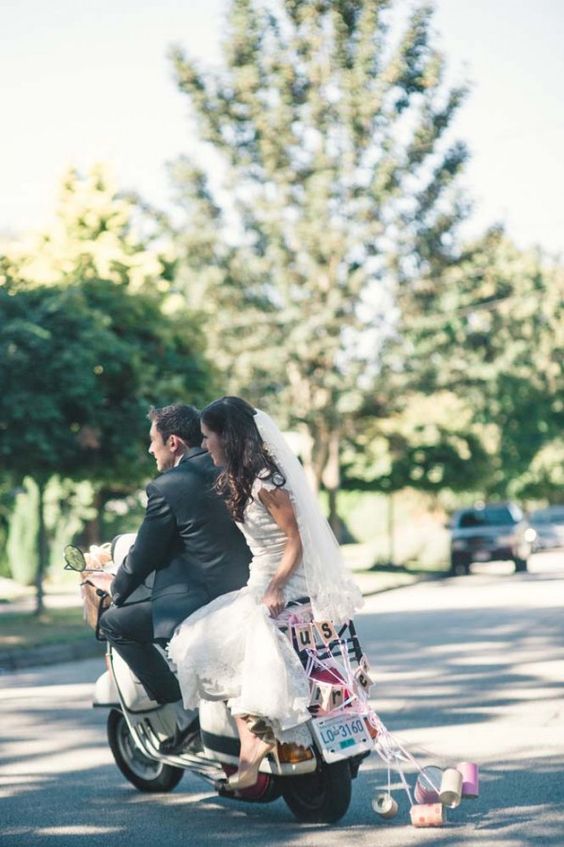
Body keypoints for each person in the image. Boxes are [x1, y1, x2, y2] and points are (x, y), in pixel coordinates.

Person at [168, 397, 362, 788]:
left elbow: (295, 540)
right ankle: (254, 741)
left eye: (208, 437)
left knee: (215, 641)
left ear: (229, 436)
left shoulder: (267, 482)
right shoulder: (242, 479)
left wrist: (274, 587)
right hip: (262, 576)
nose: (205, 446)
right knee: (202, 643)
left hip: (285, 579)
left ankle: (253, 750)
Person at [96, 403, 251, 754]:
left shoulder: (168, 486)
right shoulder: (232, 468)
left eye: (153, 441)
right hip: (245, 588)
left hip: (201, 599)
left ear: (174, 443)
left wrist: (116, 588)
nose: (150, 449)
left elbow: (144, 554)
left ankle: (185, 715)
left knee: (114, 623)